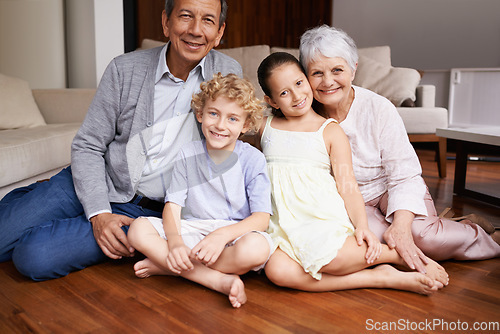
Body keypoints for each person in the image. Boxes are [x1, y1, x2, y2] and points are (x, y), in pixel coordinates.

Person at [0, 0, 243, 281]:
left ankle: (42, 208)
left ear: (220, 32)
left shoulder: (227, 73)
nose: (196, 30)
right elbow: (88, 144)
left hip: (144, 214)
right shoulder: (124, 69)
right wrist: (99, 212)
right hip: (94, 180)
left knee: (34, 257)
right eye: (185, 16)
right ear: (166, 22)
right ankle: (37, 199)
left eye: (208, 21)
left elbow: (246, 125)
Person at [297, 25, 500, 274]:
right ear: (305, 76)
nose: (327, 81)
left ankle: (482, 235)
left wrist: (402, 225)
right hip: (351, 203)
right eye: (317, 73)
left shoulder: (378, 108)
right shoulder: (303, 116)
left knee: (421, 236)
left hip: (390, 188)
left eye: (337, 70)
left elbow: (404, 174)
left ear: (353, 69)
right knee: (372, 242)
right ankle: (450, 224)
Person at [256, 51, 448, 295]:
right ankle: (379, 277)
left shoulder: (329, 131)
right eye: (284, 93)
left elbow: (348, 186)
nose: (296, 96)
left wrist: (361, 226)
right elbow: (228, 119)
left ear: (307, 80)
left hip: (319, 221)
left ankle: (394, 255)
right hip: (282, 226)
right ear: (272, 101)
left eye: (299, 83)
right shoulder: (265, 127)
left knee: (329, 260)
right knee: (278, 272)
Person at [127, 73, 272, 308]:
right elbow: (173, 206)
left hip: (233, 235)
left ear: (246, 125)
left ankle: (170, 267)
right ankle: (215, 280)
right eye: (213, 113)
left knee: (256, 249)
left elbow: (261, 219)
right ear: (200, 114)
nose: (220, 125)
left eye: (232, 119)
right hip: (194, 229)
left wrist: (221, 235)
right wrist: (174, 244)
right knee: (137, 229)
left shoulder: (253, 159)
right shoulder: (188, 153)